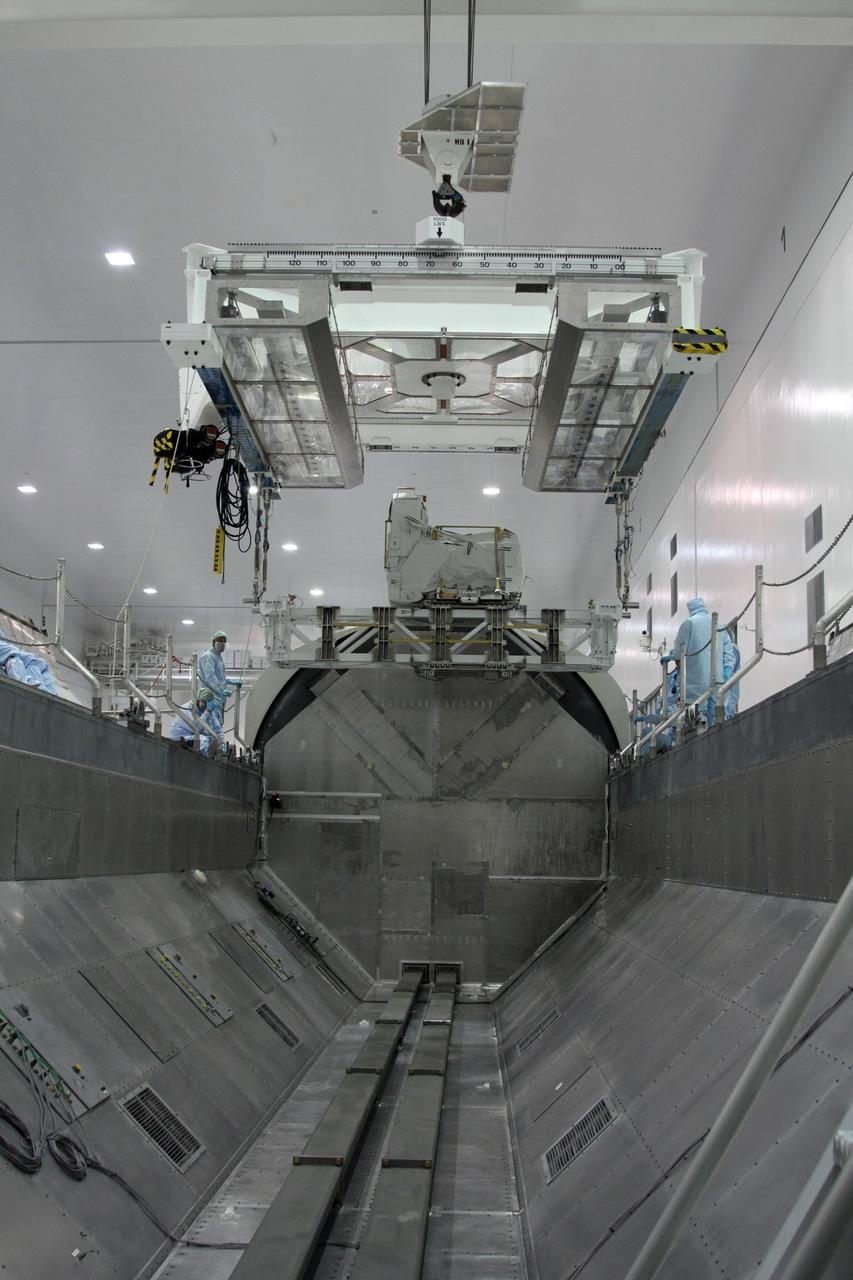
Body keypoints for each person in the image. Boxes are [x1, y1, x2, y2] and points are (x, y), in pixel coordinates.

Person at [660, 597, 735, 725]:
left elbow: (679, 652)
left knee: (694, 724)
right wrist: (727, 674)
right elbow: (729, 656)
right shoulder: (720, 626)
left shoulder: (688, 624)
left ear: (690, 610)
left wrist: (668, 657)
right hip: (718, 684)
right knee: (716, 721)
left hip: (695, 688)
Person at [198, 630, 241, 721]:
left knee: (216, 723)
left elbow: (219, 677)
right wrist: (220, 689)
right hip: (209, 696)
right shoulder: (208, 656)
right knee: (209, 724)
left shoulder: (217, 656)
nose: (222, 643)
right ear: (213, 642)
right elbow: (210, 676)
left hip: (217, 696)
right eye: (220, 640)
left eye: (224, 641)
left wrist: (229, 682)